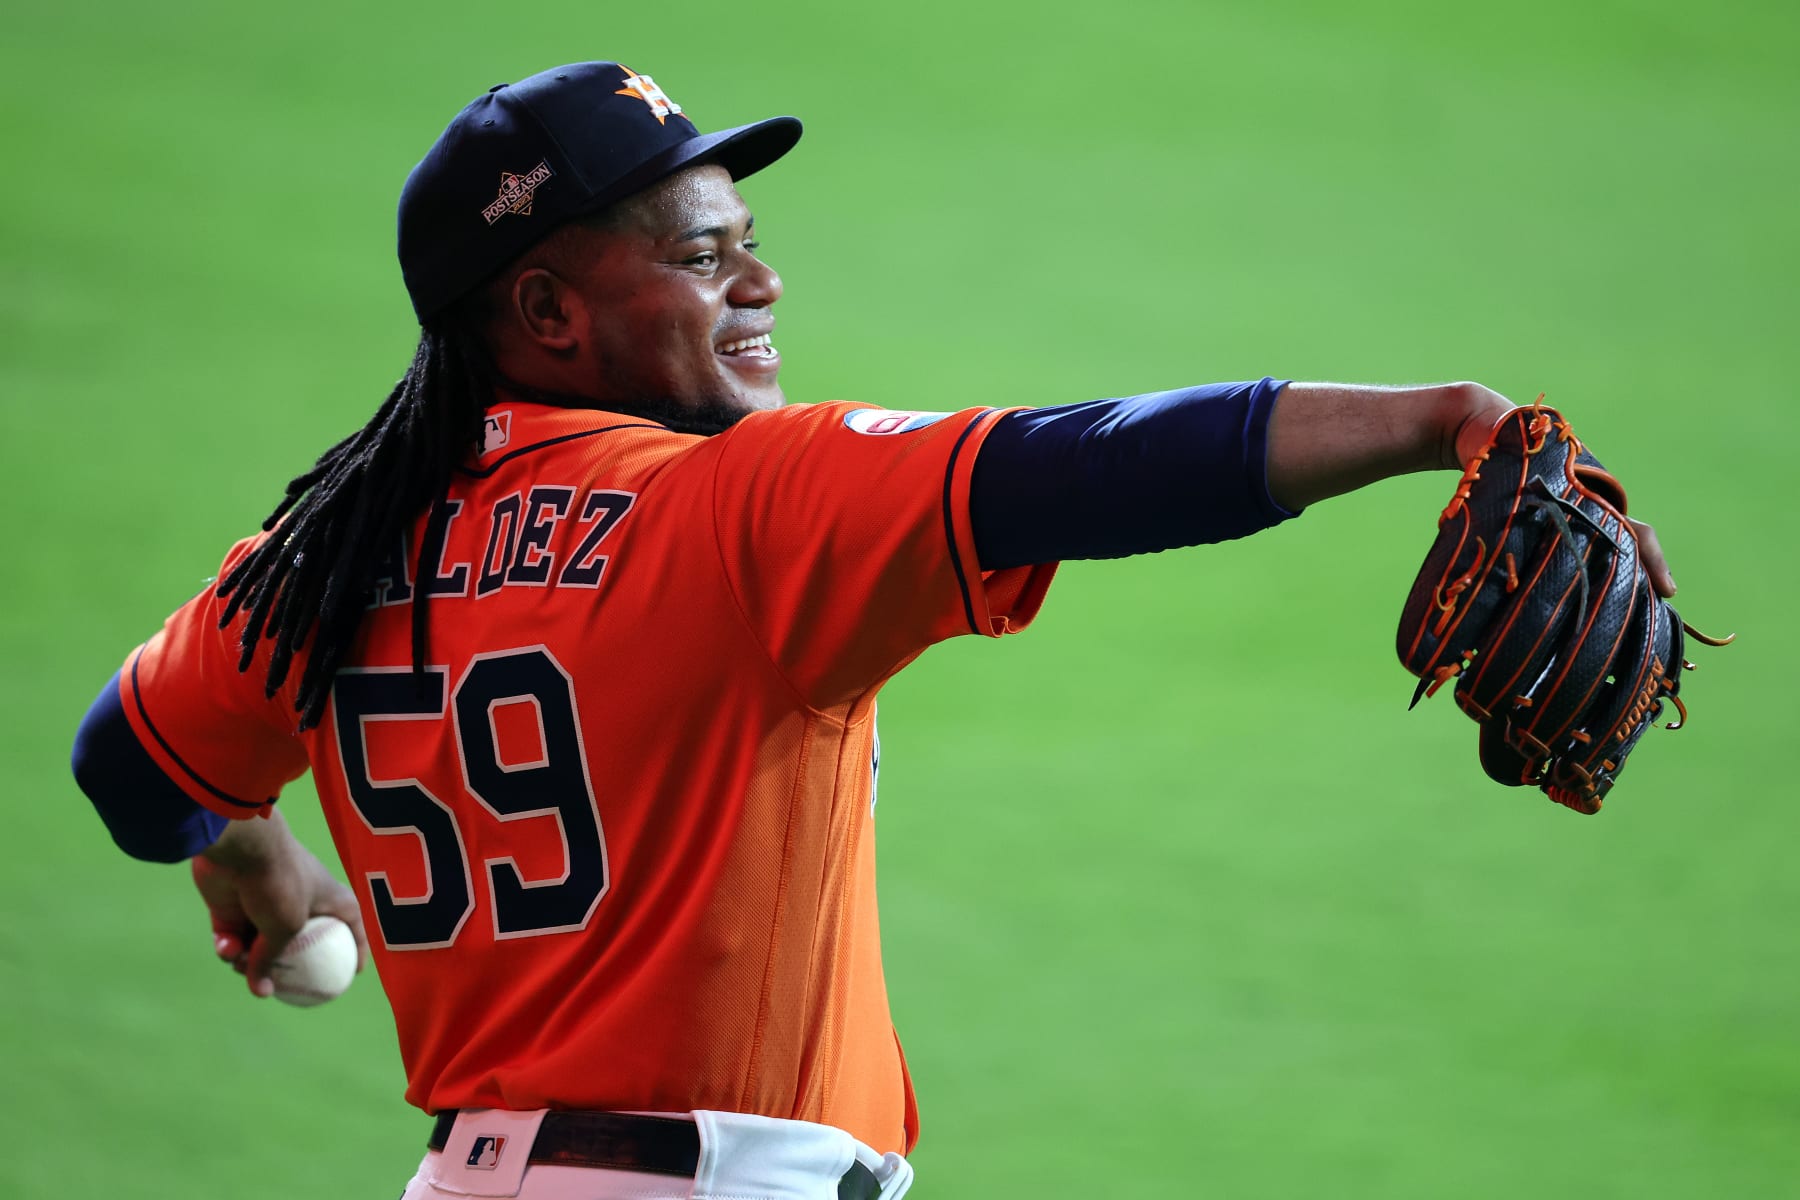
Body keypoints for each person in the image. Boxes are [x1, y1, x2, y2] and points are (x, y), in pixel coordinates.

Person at [69, 60, 1675, 1200]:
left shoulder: (315, 565)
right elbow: (1090, 465)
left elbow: (132, 765)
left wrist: (253, 859)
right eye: (701, 254)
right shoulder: (735, 510)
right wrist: (1438, 422)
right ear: (548, 314)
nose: (760, 276)